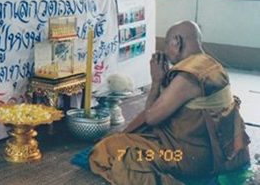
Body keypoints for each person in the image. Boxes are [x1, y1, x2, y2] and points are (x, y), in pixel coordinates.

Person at [90, 21, 250, 184]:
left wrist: (156, 82)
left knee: (107, 150)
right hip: (221, 153)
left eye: (167, 44)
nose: (165, 51)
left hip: (189, 158)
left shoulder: (187, 77)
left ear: (177, 42)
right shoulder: (212, 64)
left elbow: (151, 118)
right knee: (131, 139)